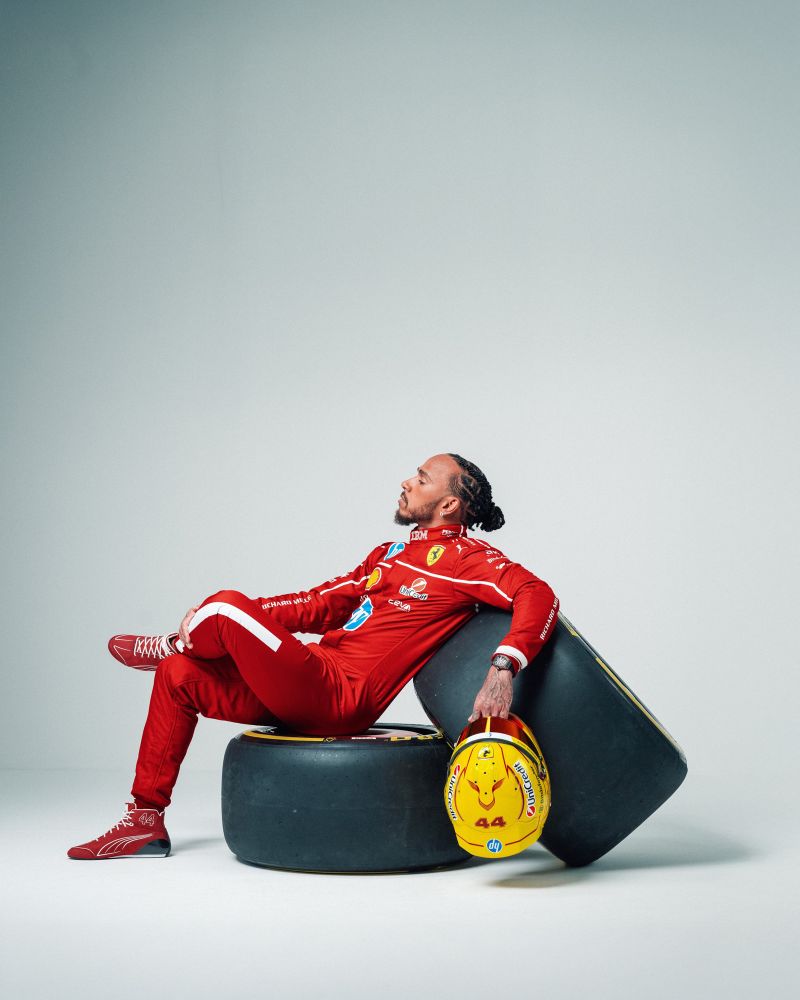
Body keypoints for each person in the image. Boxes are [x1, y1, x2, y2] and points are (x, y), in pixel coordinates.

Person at [67, 453, 559, 860]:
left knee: (221, 607)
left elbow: (538, 594)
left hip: (338, 698)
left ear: (449, 503)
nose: (407, 481)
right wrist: (235, 620)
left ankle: (173, 642)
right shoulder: (388, 554)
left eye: (422, 478)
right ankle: (144, 820)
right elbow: (319, 604)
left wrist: (503, 667)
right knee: (181, 674)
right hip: (308, 680)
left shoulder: (466, 559)